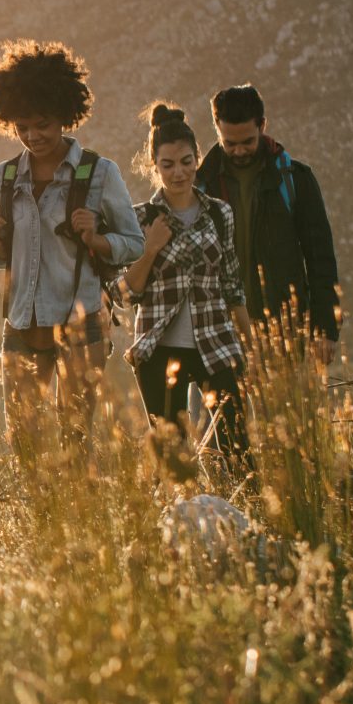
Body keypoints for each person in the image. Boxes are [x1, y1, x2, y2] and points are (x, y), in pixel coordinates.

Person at [0, 39, 143, 459]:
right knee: (25, 443)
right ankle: (41, 521)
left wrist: (98, 239)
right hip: (21, 322)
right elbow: (2, 259)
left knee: (74, 442)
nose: (33, 135)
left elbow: (134, 244)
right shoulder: (4, 176)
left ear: (66, 117)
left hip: (80, 324)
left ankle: (75, 521)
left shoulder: (100, 173)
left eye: (43, 124)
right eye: (22, 127)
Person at [114, 102, 244, 462]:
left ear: (198, 158)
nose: (179, 173)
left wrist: (252, 347)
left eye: (186, 161)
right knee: (174, 460)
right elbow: (124, 293)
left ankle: (241, 517)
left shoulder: (220, 213)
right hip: (158, 350)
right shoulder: (140, 218)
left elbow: (232, 285)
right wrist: (151, 248)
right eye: (168, 165)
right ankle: (182, 518)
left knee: (238, 451)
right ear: (154, 166)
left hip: (216, 344)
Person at [197, 82, 340, 364]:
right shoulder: (201, 186)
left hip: (285, 333)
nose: (238, 151)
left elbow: (320, 257)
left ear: (262, 125)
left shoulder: (295, 178)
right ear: (217, 128)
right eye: (230, 144)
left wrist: (325, 328)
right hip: (219, 334)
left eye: (247, 142)